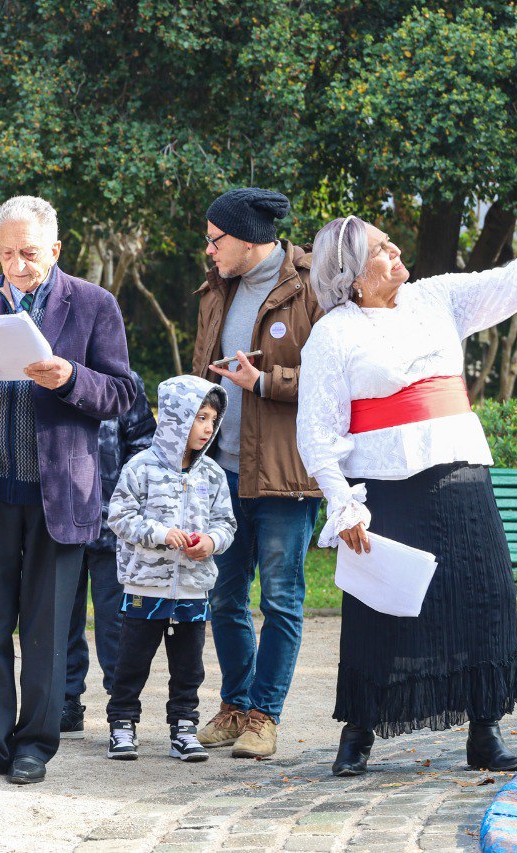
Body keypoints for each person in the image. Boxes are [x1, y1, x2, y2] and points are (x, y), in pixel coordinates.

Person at [296, 160, 517, 775]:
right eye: (381, 249)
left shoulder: (435, 298)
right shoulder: (332, 335)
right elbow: (317, 433)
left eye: (390, 242)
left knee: (481, 598)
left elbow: (514, 281)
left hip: (462, 475)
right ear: (352, 275)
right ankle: (360, 731)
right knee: (384, 608)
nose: (395, 250)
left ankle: (485, 731)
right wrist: (342, 503)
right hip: (387, 488)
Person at [0, 195, 135, 785]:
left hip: (58, 492)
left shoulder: (93, 304)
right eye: (7, 253)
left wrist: (71, 378)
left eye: (29, 254)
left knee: (47, 628)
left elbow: (123, 394)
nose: (17, 266)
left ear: (55, 250)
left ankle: (35, 742)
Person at [192, 188, 323, 759]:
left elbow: (336, 380)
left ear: (247, 239)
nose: (209, 250)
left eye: (215, 240)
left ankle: (264, 716)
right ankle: (236, 706)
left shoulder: (312, 285)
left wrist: (266, 382)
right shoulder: (215, 287)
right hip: (221, 473)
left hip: (284, 475)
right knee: (223, 599)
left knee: (281, 600)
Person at [104, 377, 236, 762]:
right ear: (177, 419)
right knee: (131, 664)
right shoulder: (140, 467)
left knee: (189, 668)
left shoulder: (212, 474)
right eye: (200, 418)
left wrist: (211, 542)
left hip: (193, 590)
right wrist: (161, 534)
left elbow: (226, 523)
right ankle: (122, 725)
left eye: (213, 419)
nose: (208, 427)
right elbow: (120, 516)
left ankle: (183, 728)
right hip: (145, 588)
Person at [61, 370, 156, 738]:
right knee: (61, 619)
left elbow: (143, 444)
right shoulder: (49, 370)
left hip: (113, 527)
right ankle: (66, 702)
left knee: (116, 623)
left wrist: (126, 504)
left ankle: (122, 709)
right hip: (60, 523)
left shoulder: (124, 378)